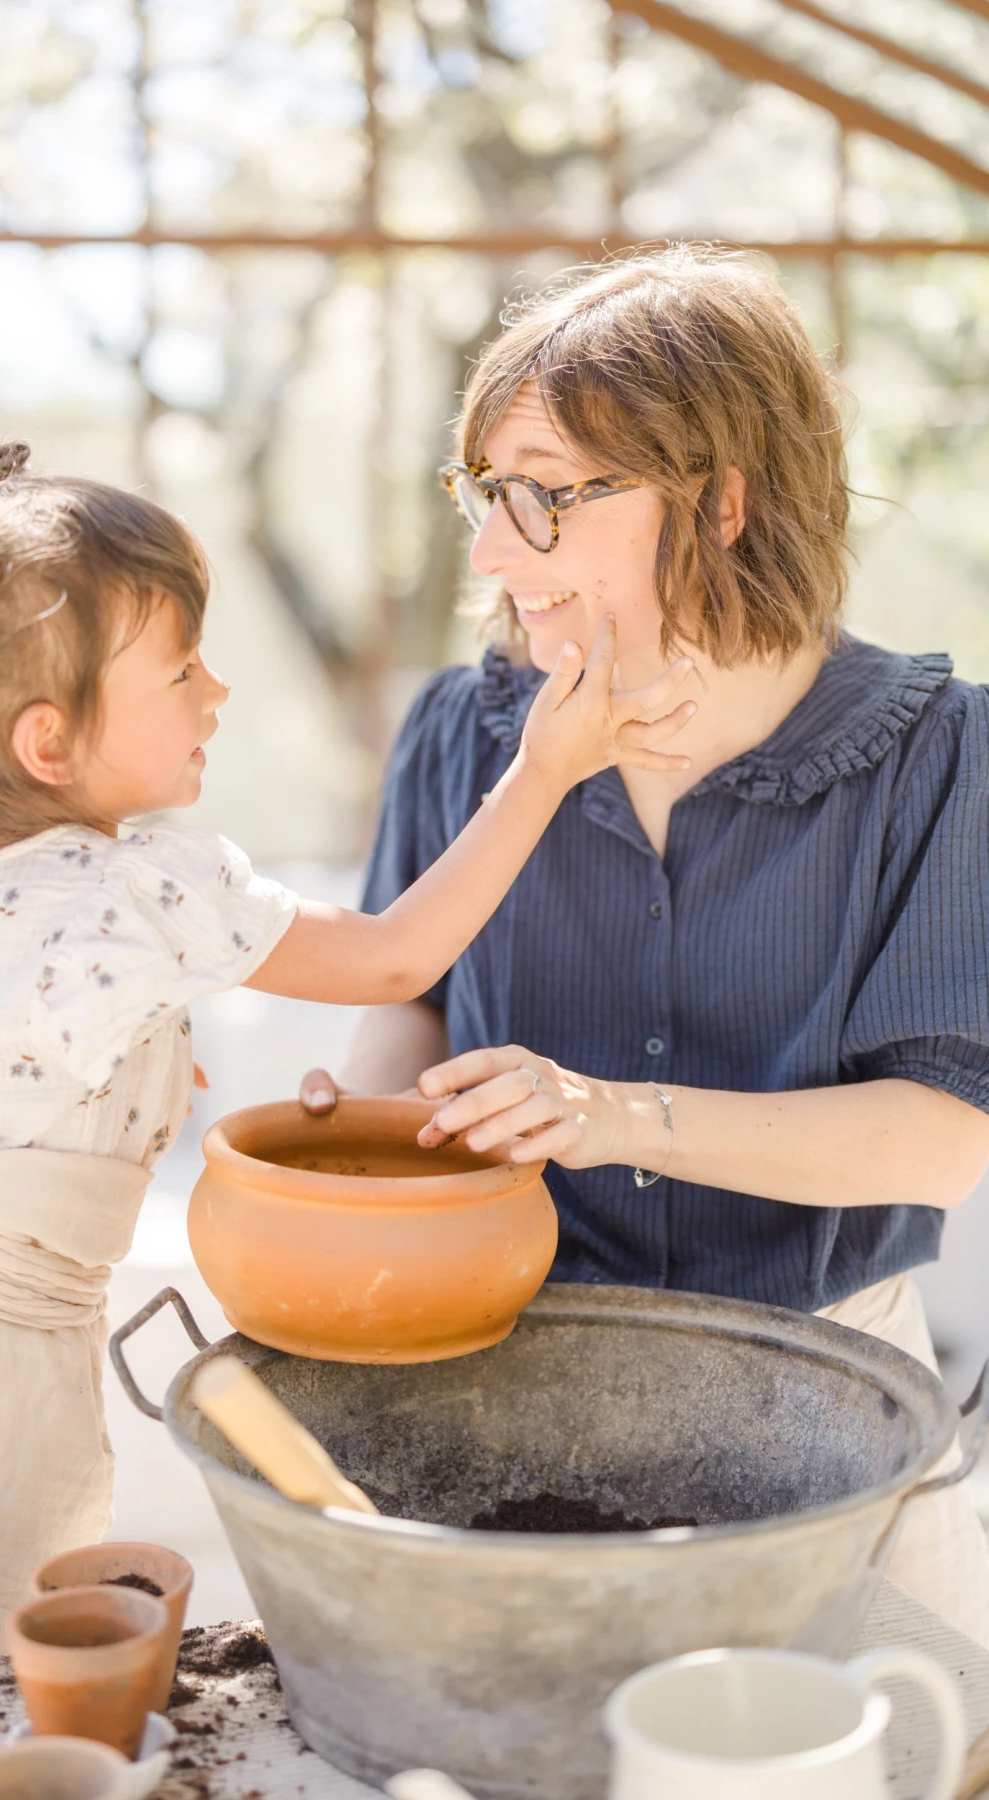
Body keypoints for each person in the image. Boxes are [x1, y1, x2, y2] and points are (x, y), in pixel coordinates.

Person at [0, 441, 694, 1676]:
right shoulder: (151, 881)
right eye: (178, 670)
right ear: (50, 742)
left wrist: (138, 1062)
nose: (217, 693)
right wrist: (543, 768)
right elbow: (390, 958)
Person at [301, 246, 989, 1646]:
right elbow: (411, 1013)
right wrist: (371, 1140)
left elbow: (940, 1139)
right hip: (501, 1389)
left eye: (547, 496)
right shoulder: (458, 733)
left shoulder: (946, 756)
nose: (493, 551)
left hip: (834, 1408)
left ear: (723, 499)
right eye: (485, 494)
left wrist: (608, 1116)